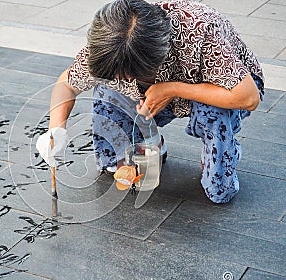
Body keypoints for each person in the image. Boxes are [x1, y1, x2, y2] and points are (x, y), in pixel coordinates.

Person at [36, 0, 264, 204]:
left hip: (222, 89)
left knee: (219, 191)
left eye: (128, 76)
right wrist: (56, 131)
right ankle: (149, 141)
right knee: (106, 97)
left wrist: (172, 88)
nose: (123, 81)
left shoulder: (199, 31)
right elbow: (66, 83)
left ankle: (222, 155)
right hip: (154, 94)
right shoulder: (111, 43)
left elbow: (248, 97)